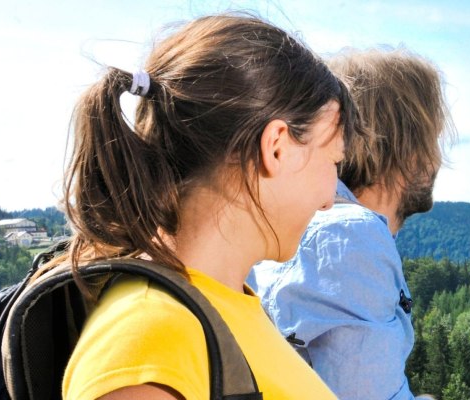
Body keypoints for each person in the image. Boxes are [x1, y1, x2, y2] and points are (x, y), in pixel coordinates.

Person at [48, 13, 357, 400]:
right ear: (277, 146)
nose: (330, 199)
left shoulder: (221, 305)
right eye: (333, 160)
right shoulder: (153, 337)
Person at [248, 46, 450, 399]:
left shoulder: (302, 226)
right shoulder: (347, 238)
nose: (438, 159)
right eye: (433, 140)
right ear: (407, 149)